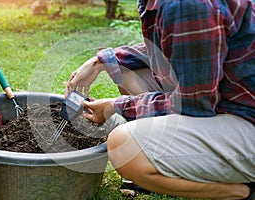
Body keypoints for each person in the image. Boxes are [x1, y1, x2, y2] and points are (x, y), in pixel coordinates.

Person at [64, 0, 255, 199]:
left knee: (124, 147)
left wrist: (115, 105)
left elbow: (194, 105)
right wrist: (101, 61)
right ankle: (171, 158)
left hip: (246, 120)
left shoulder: (186, 5)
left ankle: (241, 191)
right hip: (227, 100)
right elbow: (175, 45)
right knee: (127, 72)